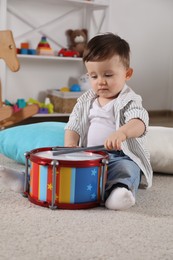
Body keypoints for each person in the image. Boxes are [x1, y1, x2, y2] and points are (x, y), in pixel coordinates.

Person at [64, 33, 153, 210]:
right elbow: (73, 125)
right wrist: (70, 146)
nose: (101, 82)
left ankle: (119, 192)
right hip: (89, 155)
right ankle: (29, 181)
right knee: (63, 165)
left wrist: (122, 132)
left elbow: (139, 121)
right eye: (94, 76)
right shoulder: (84, 101)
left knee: (126, 170)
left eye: (108, 75)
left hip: (119, 156)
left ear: (127, 74)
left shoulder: (130, 100)